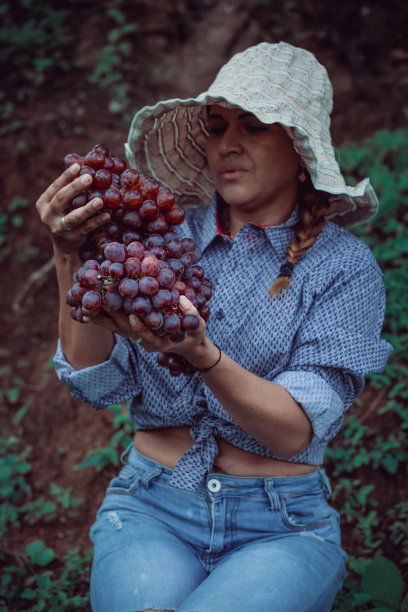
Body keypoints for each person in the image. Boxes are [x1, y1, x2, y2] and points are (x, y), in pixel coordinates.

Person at [36, 41, 392, 612]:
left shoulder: (343, 269)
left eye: (252, 127)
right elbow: (94, 382)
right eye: (217, 125)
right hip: (151, 505)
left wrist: (205, 355)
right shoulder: (158, 241)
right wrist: (67, 253)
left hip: (281, 525)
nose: (227, 143)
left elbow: (295, 431)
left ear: (301, 149)